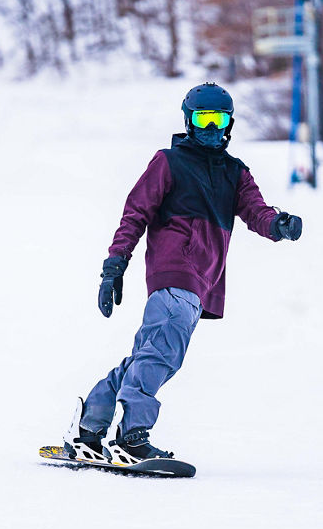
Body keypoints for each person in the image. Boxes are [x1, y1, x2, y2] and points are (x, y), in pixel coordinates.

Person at [62, 82, 304, 466]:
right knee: (160, 355)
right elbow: (135, 213)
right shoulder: (168, 163)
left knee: (148, 354)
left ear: (229, 123)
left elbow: (256, 211)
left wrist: (279, 224)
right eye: (202, 120)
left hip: (201, 283)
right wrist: (115, 265)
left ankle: (91, 428)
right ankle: (133, 435)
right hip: (174, 272)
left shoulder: (235, 173)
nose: (210, 128)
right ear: (188, 122)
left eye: (218, 120)